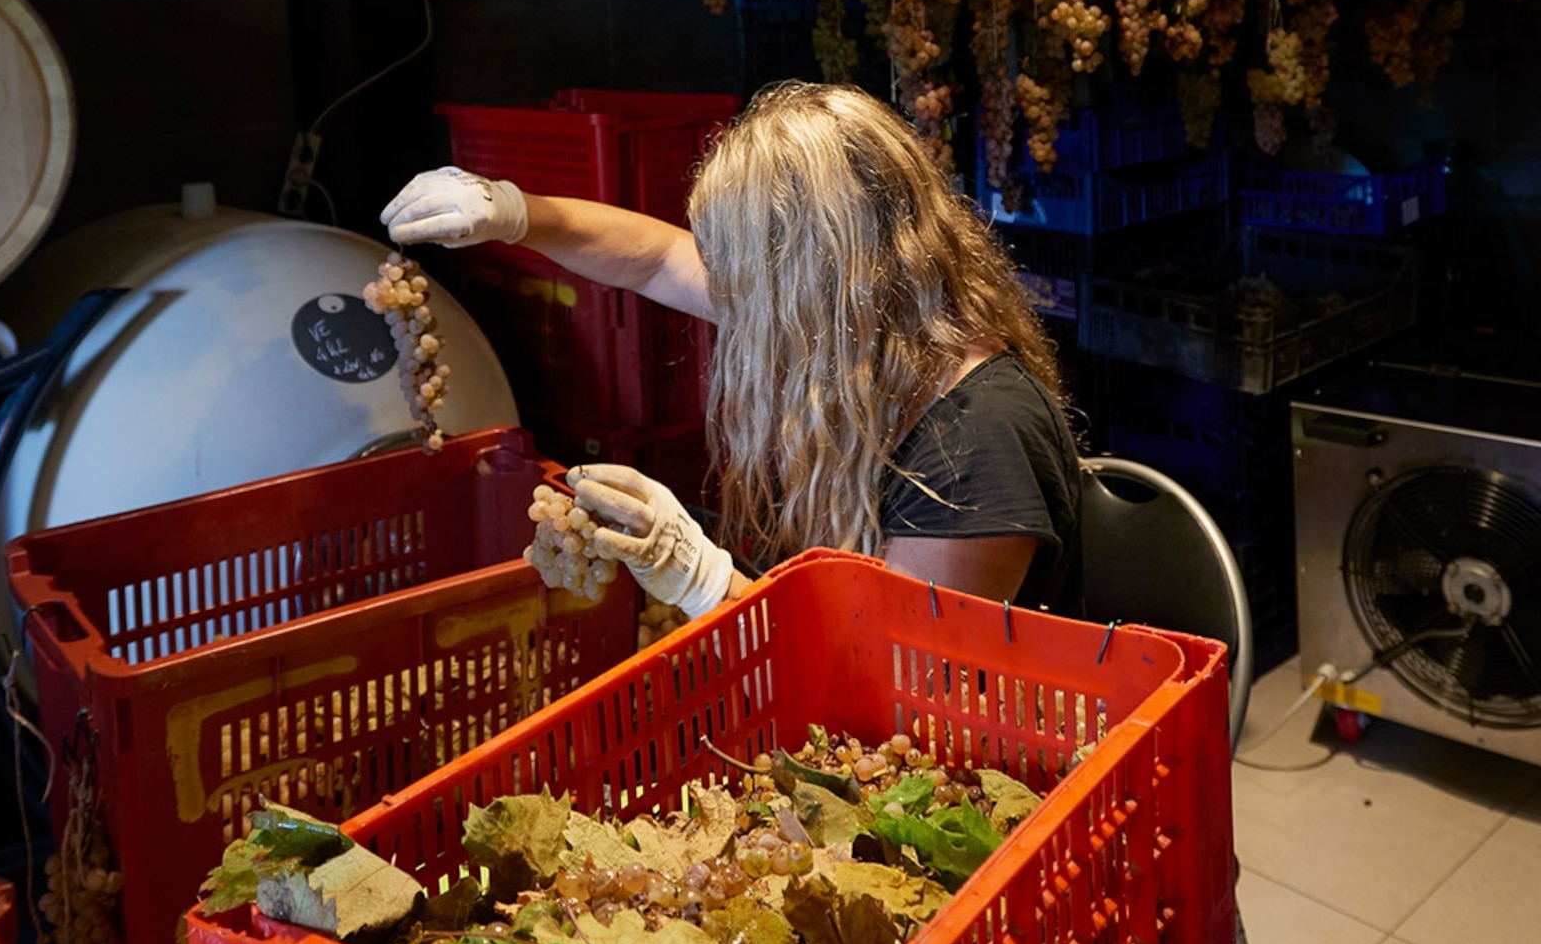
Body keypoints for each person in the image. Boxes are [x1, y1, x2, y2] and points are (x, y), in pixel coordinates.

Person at [380, 81, 1082, 620]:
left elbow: (894, 672)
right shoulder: (857, 318)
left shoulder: (977, 443)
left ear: (813, 274)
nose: (726, 287)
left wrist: (701, 578)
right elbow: (654, 259)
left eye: (744, 268)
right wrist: (514, 212)